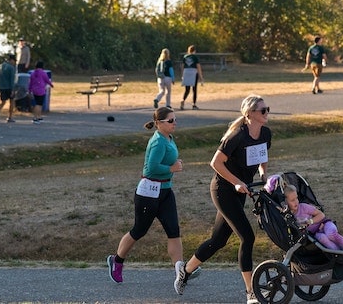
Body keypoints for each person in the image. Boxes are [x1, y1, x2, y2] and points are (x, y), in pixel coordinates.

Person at [177, 95, 271, 304]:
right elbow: (215, 163)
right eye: (263, 110)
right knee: (247, 237)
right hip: (223, 189)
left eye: (267, 109)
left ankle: (185, 270)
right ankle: (251, 292)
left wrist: (264, 175)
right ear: (250, 114)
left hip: (241, 190)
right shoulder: (236, 136)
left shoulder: (265, 132)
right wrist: (237, 182)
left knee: (218, 241)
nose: (267, 113)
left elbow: (262, 156)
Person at [106, 107, 187, 294]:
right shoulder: (158, 142)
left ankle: (181, 272)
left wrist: (173, 166)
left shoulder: (169, 138)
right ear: (159, 123)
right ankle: (116, 260)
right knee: (139, 230)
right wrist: (172, 168)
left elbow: (165, 163)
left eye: (175, 119)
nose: (174, 123)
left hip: (165, 192)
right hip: (148, 194)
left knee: (174, 231)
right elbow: (151, 169)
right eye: (170, 121)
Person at [282, 184, 343, 251]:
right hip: (316, 233)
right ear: (286, 202)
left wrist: (311, 221)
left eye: (296, 198)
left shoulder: (303, 207)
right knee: (323, 239)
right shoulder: (290, 217)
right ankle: (340, 254)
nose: (296, 202)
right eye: (292, 200)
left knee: (331, 234)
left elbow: (321, 215)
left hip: (325, 224)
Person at [180, 45, 204, 110]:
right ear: (194, 51)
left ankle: (183, 100)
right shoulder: (195, 57)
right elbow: (198, 66)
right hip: (193, 72)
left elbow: (182, 66)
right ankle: (194, 104)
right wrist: (201, 77)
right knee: (194, 89)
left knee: (187, 89)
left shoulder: (185, 57)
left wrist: (182, 75)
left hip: (186, 72)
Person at [0, 54, 17, 123]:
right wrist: (13, 89)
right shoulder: (11, 68)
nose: (14, 63)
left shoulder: (0, 66)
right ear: (11, 60)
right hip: (9, 87)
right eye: (14, 61)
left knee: (3, 102)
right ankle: (10, 117)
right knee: (12, 102)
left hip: (2, 87)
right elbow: (12, 79)